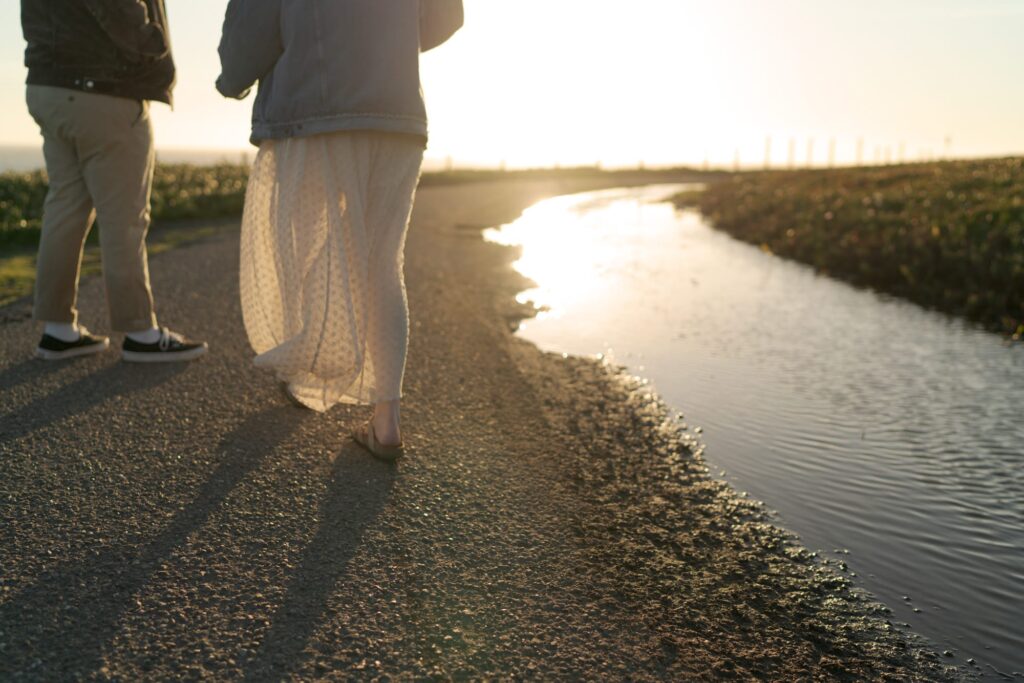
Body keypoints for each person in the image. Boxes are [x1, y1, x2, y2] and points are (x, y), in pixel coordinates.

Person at [217, 0, 463, 460]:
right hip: (397, 111)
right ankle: (386, 422)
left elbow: (248, 34)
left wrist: (231, 80)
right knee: (384, 263)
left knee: (308, 244)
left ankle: (312, 369)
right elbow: (448, 15)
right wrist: (384, 47)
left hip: (312, 111)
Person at [21, 0, 207, 362]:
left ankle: (57, 330)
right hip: (104, 89)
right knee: (124, 218)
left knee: (65, 209)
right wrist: (150, 41)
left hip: (50, 88)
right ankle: (141, 333)